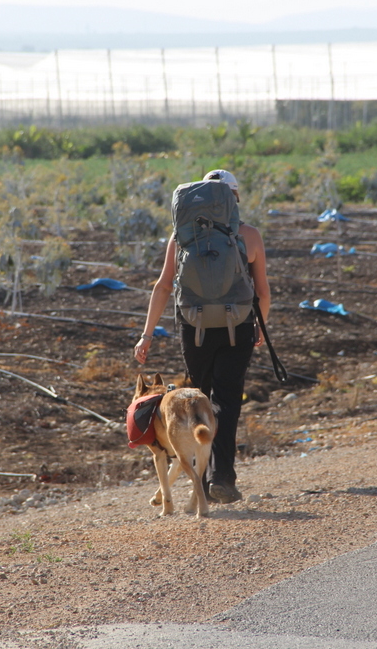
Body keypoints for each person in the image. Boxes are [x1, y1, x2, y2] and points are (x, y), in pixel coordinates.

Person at [133, 169, 271, 503]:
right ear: (234, 198)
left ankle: (199, 481)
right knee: (226, 401)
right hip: (237, 325)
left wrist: (146, 335)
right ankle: (221, 478)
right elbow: (263, 292)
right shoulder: (250, 235)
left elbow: (163, 286)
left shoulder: (182, 235)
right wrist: (259, 326)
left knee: (199, 399)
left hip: (194, 328)